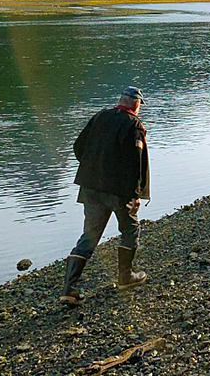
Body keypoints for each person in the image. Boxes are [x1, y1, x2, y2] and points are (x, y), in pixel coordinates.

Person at [60, 86, 150, 306]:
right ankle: (126, 277)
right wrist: (135, 194)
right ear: (136, 104)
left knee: (89, 236)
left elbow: (78, 147)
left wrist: (95, 169)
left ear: (120, 100)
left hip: (91, 188)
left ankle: (69, 289)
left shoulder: (100, 117)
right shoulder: (134, 125)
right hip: (119, 192)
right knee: (130, 229)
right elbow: (135, 164)